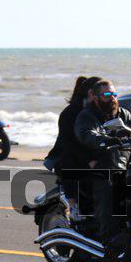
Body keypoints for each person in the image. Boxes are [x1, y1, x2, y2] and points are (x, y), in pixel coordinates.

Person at [74, 79, 131, 257]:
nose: (112, 98)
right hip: (99, 165)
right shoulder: (87, 116)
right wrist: (106, 139)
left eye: (114, 94)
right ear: (95, 98)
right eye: (107, 95)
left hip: (124, 164)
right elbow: (87, 134)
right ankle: (110, 238)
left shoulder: (122, 113)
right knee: (110, 188)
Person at [44, 75, 102, 219]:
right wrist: (89, 160)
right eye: (102, 93)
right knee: (70, 162)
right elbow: (68, 143)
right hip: (66, 157)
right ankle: (73, 206)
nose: (106, 96)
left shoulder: (102, 111)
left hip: (91, 155)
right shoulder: (69, 113)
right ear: (90, 93)